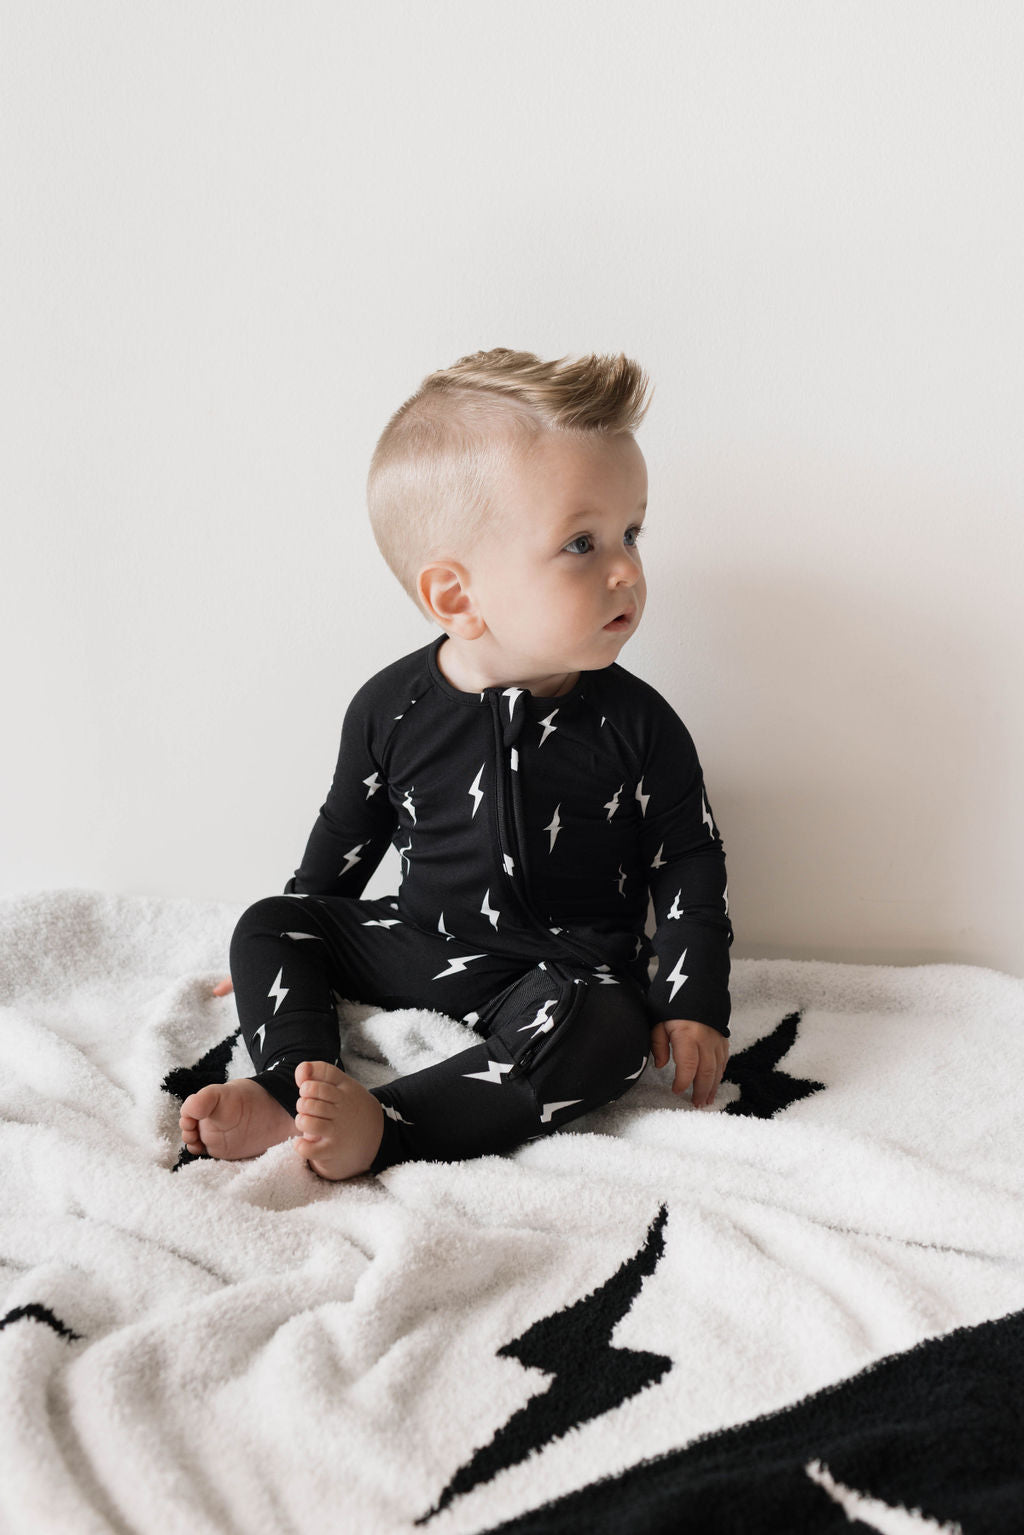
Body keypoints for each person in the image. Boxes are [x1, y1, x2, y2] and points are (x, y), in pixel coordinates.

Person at [180, 348, 733, 1181]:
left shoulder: (639, 725)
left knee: (611, 1026)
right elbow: (347, 830)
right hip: (424, 943)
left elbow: (687, 858)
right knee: (267, 921)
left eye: (632, 532)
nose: (626, 567)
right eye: (581, 543)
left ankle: (393, 1125)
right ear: (456, 596)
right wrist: (296, 930)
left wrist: (693, 1000)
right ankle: (289, 1084)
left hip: (564, 973)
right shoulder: (391, 708)